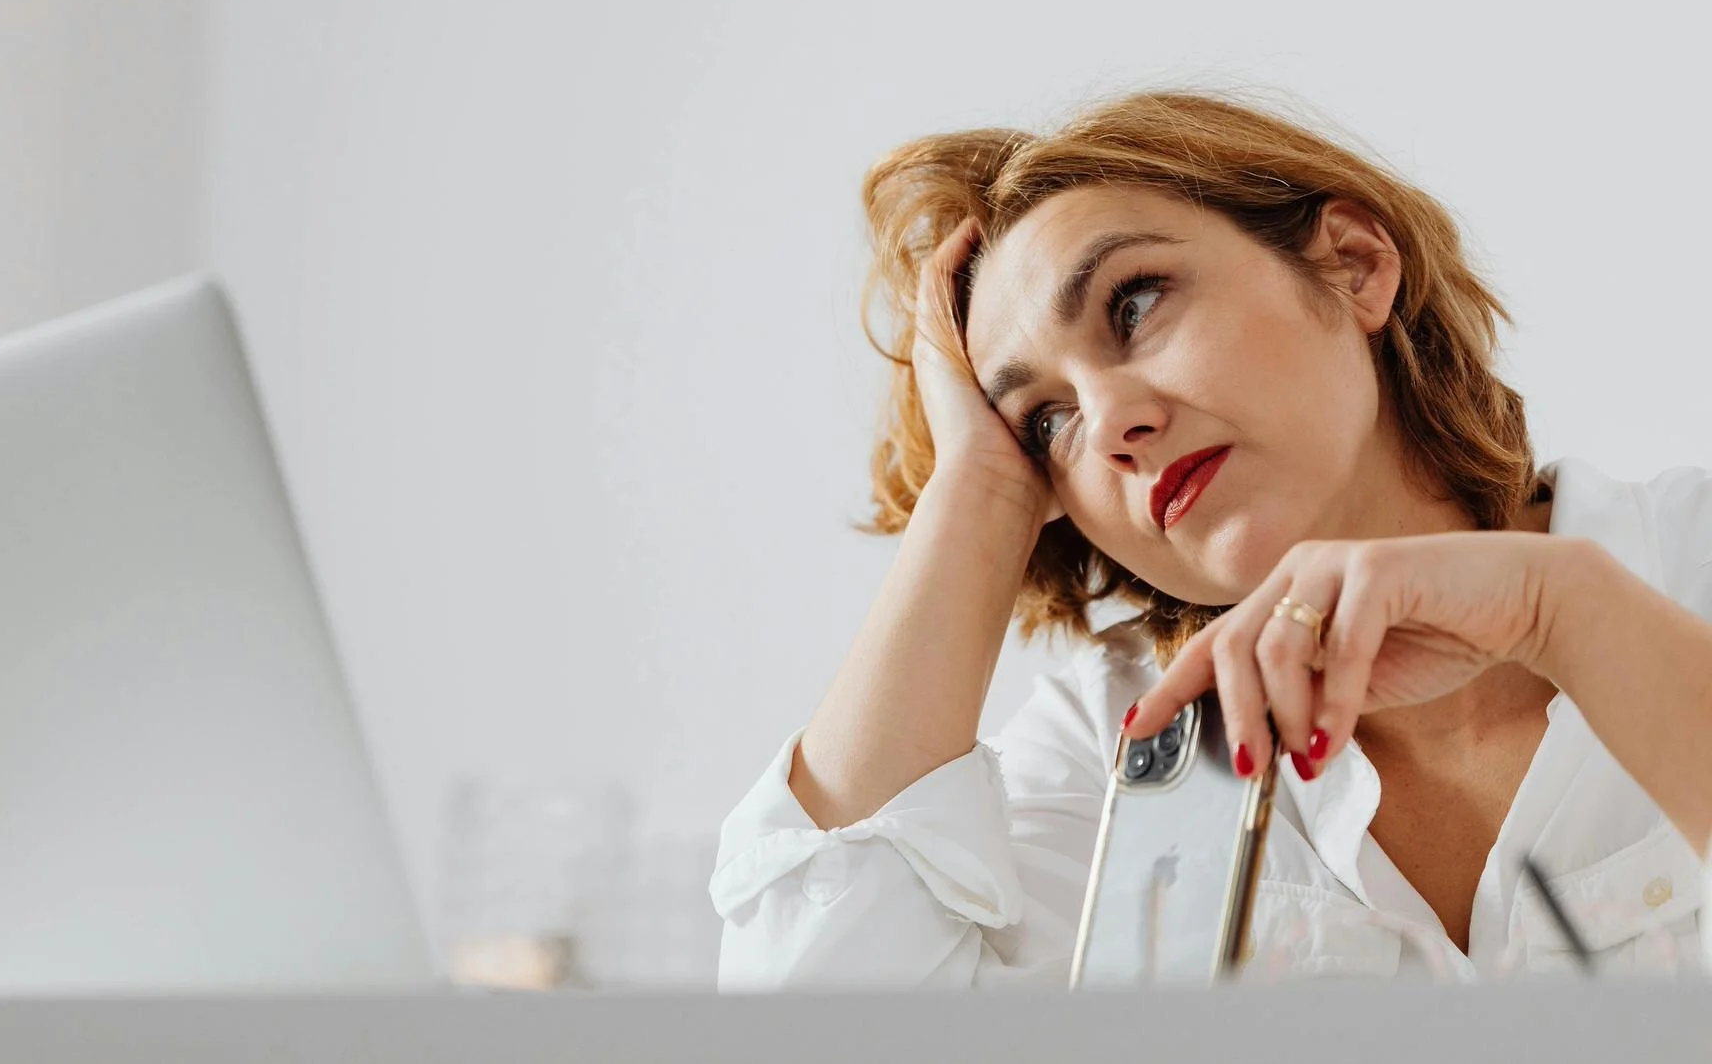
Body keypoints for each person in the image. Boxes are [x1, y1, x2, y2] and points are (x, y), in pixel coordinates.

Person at [708, 92, 1712, 987]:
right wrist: (971, 495)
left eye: (1132, 306)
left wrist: (1563, 612)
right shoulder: (1121, 749)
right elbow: (817, 1019)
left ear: (1351, 264)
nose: (1106, 424)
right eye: (1042, 422)